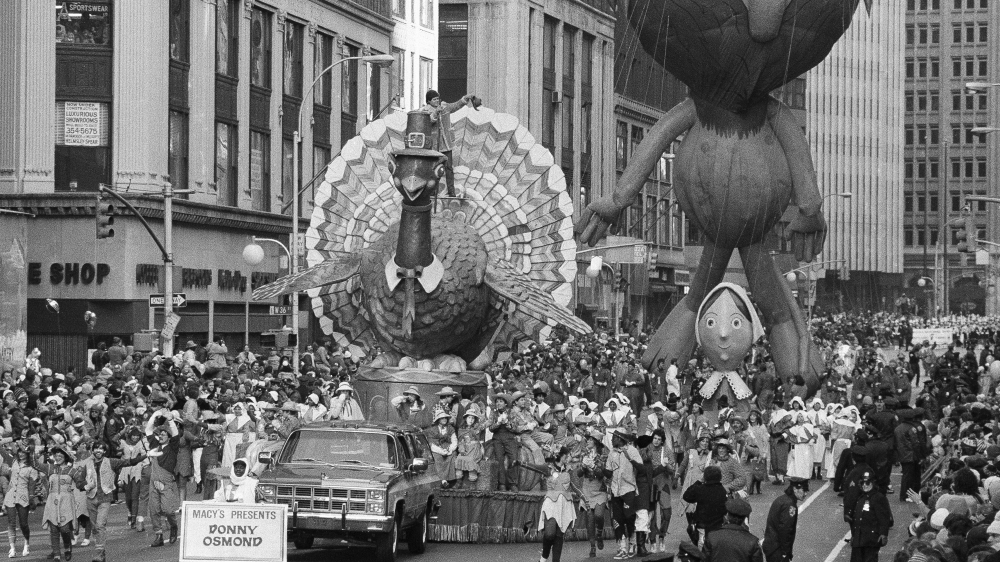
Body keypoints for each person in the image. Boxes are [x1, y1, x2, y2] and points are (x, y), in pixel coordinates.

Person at [85, 441, 146, 562]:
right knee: (94, 527)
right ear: (92, 450)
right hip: (91, 498)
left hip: (105, 498)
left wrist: (146, 456)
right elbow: (79, 479)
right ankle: (101, 550)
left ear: (104, 451)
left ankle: (99, 553)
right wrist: (84, 485)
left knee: (100, 525)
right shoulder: (87, 464)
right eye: (96, 448)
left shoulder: (111, 461)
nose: (98, 451)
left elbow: (129, 462)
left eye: (101, 449)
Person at [420, 89, 476, 197]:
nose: (437, 101)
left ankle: (451, 192)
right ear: (429, 101)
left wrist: (466, 98)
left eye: (437, 99)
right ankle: (433, 192)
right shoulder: (425, 111)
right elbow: (430, 121)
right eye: (434, 99)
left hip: (446, 145)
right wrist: (436, 112)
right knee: (434, 169)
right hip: (434, 146)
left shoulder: (445, 107)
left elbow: (456, 105)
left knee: (449, 168)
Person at [42, 446, 81, 562]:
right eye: (56, 456)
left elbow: (80, 482)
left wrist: (86, 486)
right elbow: (35, 465)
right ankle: (57, 554)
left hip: (66, 501)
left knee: (64, 529)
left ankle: (68, 548)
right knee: (53, 529)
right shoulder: (50, 468)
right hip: (52, 501)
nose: (58, 458)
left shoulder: (71, 470)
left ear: (65, 458)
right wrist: (30, 451)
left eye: (60, 456)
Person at [844, 471, 892, 562]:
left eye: (867, 483)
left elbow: (884, 518)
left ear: (873, 483)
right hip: (859, 539)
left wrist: (883, 534)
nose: (864, 485)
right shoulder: (861, 498)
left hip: (871, 540)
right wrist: (854, 535)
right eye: (862, 483)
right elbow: (856, 518)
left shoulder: (878, 498)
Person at [2, 447, 40, 558]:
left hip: (23, 496)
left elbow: (32, 485)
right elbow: (3, 452)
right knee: (11, 522)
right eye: (20, 451)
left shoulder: (32, 468)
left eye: (24, 452)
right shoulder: (13, 461)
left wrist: (32, 497)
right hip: (10, 495)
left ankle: (26, 544)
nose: (21, 454)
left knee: (23, 523)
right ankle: (12, 548)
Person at [761, 476, 808, 562]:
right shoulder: (790, 505)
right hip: (777, 549)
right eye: (803, 490)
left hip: (771, 546)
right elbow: (785, 530)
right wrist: (785, 552)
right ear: (795, 489)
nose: (805, 494)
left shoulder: (783, 499)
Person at [703, 497, 764, 562]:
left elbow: (704, 559)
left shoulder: (712, 537)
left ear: (727, 516)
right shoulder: (752, 542)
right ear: (744, 519)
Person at [682, 464, 728, 548]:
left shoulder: (701, 489)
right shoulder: (722, 490)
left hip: (703, 526)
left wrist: (699, 481)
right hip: (718, 526)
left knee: (703, 550)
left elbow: (686, 496)